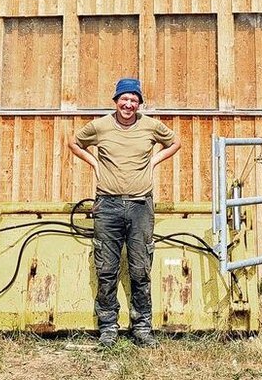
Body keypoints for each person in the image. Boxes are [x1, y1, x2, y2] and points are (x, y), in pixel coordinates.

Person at [69, 77, 181, 348]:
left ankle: (142, 327)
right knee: (106, 268)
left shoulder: (150, 126)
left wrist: (154, 161)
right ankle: (108, 327)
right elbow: (74, 143)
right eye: (124, 99)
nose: (128, 104)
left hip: (141, 206)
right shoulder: (100, 126)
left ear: (139, 103)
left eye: (134, 100)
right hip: (107, 206)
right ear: (116, 101)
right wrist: (95, 163)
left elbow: (175, 142)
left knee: (140, 269)